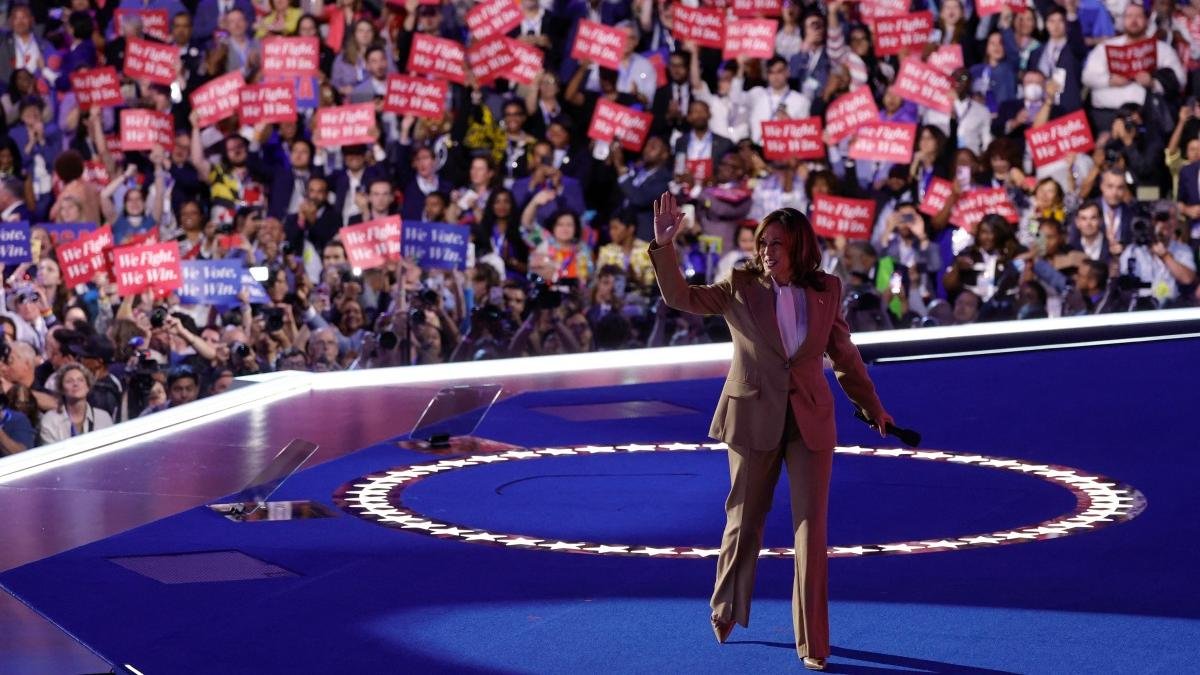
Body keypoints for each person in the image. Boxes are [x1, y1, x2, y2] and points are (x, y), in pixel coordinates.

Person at [647, 192, 893, 671]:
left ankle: (813, 643)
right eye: (763, 242)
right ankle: (726, 609)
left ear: (799, 247)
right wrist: (664, 247)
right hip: (752, 418)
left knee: (811, 533)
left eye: (776, 243)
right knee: (744, 522)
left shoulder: (827, 290)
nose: (766, 250)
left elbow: (844, 356)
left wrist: (873, 407)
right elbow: (680, 297)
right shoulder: (740, 284)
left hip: (809, 422)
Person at [38, 363, 114, 445]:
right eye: (69, 381)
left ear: (88, 387)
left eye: (80, 380)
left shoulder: (103, 418)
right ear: (62, 389)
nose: (75, 384)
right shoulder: (50, 420)